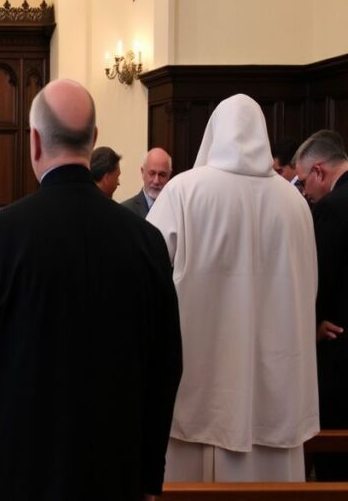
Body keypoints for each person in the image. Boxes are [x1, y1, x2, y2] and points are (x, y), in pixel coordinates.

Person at [0, 78, 182, 500]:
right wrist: (148, 473)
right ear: (93, 140)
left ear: (35, 141)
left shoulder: (2, 234)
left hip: (18, 461)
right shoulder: (144, 240)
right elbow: (165, 365)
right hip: (113, 463)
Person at [148, 94, 319, 482]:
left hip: (198, 381)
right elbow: (308, 286)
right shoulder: (293, 203)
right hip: (273, 387)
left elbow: (146, 279)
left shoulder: (185, 192)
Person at [293, 129, 348, 480]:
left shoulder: (331, 209)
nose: (303, 192)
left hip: (340, 354)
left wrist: (309, 325)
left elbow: (318, 281)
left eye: (302, 181)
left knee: (336, 468)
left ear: (318, 171)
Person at [121, 147, 173, 218]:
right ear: (142, 172)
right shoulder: (125, 211)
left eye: (162, 175)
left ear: (169, 175)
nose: (156, 181)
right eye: (152, 173)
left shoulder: (176, 210)